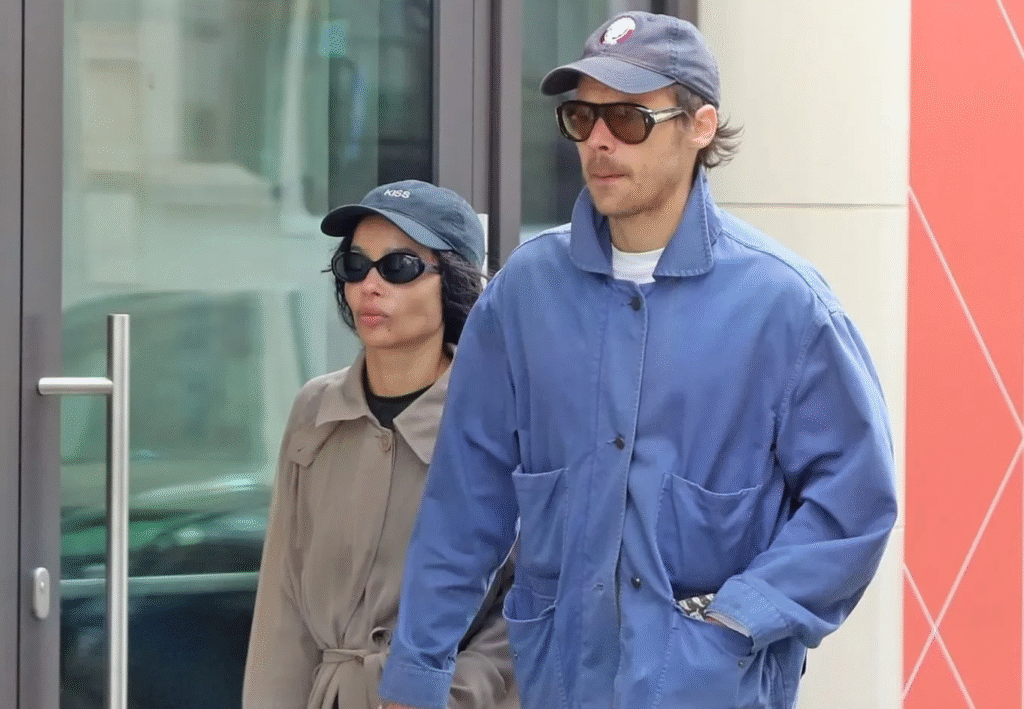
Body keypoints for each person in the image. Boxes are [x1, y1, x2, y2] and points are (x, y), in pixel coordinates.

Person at [378, 11, 898, 709]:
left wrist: (737, 621)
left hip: (716, 693)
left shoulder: (786, 307)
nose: (598, 140)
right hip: (560, 686)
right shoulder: (524, 296)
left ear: (700, 126)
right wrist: (415, 674)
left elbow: (854, 503)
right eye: (581, 117)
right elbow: (464, 502)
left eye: (628, 118)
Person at [243, 180, 518, 709]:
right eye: (354, 265)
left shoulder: (500, 417)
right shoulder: (315, 410)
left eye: (399, 267)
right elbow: (282, 607)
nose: (369, 285)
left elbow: (526, 599)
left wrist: (442, 693)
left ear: (453, 280)